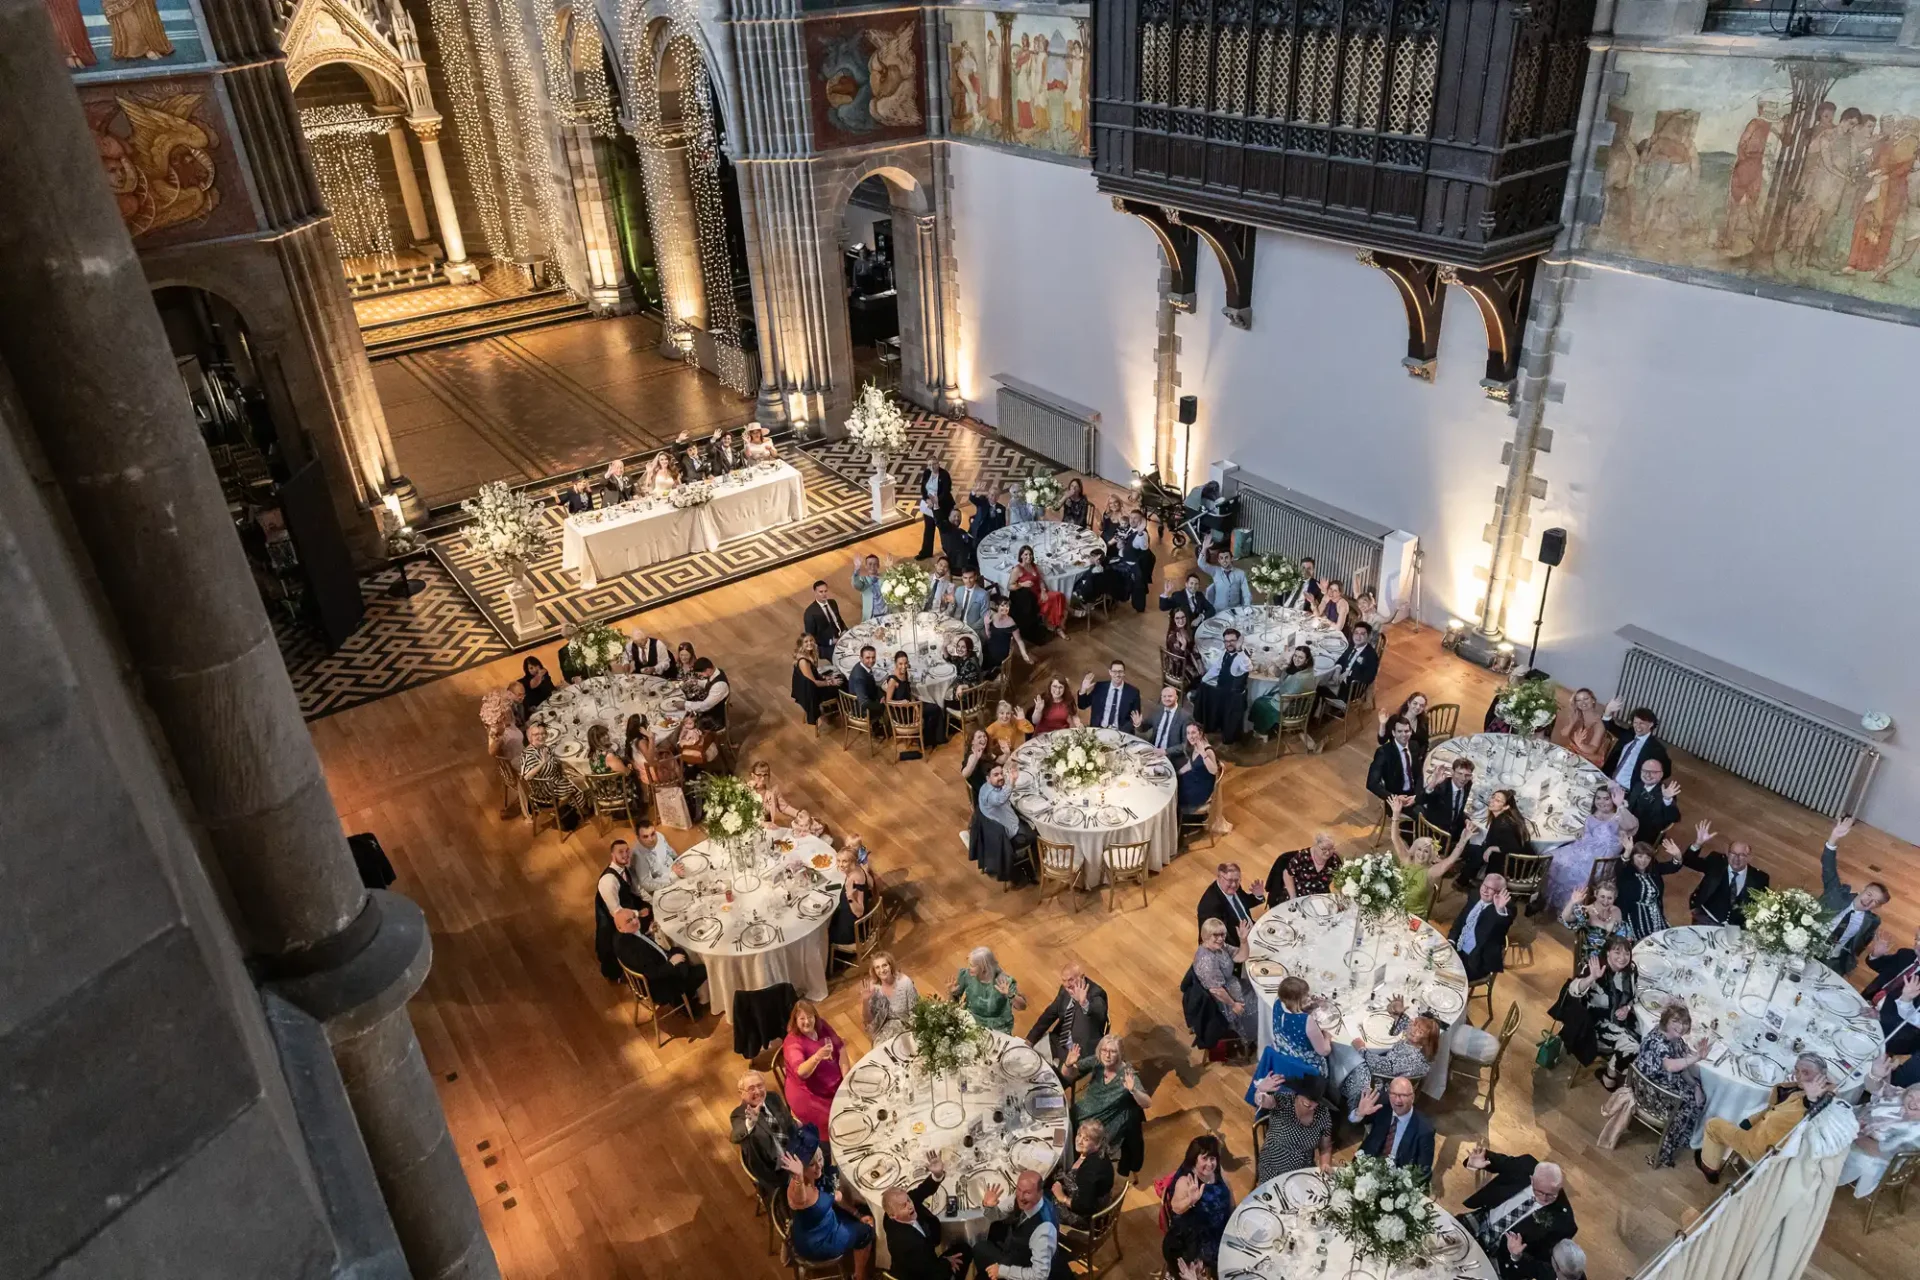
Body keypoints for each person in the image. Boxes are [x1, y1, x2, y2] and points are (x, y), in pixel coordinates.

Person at [1697, 1053, 1839, 1183]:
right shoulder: (1799, 1089)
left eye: (1806, 1072)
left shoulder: (1814, 1103)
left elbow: (1813, 1108)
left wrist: (1813, 1098)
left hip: (1762, 1149)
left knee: (1712, 1125)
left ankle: (1709, 1169)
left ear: (1822, 1077)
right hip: (1763, 1132)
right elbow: (1772, 1108)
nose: (1799, 1076)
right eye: (1797, 1070)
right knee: (1742, 1118)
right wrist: (1751, 1121)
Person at [778, 1127, 875, 1277]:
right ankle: (859, 1276)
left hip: (824, 1222)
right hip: (818, 1242)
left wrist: (857, 1214)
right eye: (811, 1164)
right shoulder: (798, 1191)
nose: (819, 1167)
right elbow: (802, 1198)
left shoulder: (817, 1178)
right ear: (800, 1168)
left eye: (820, 1159)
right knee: (867, 1232)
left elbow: (836, 1196)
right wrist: (798, 1177)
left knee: (861, 1217)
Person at [1459, 1148, 1576, 1269]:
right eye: (1539, 1192)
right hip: (1482, 1220)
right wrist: (1474, 1162)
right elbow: (1496, 1161)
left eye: (1552, 1195)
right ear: (1532, 1179)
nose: (1545, 1198)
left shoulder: (1564, 1222)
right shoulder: (1525, 1165)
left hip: (1502, 1255)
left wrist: (1517, 1256)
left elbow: (1542, 1265)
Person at [1629, 1003, 1710, 1169]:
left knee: (1699, 1091)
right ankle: (1663, 1154)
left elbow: (1681, 1067)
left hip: (1662, 1082)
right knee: (1690, 1104)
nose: (1681, 1027)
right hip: (1649, 1092)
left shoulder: (1674, 1039)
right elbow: (1670, 1066)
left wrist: (1695, 1086)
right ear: (1666, 1020)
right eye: (1676, 1021)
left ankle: (1681, 1138)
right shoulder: (1659, 1042)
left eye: (1685, 1022)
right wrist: (1697, 1058)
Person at [1550, 940, 1641, 1087]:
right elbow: (1573, 990)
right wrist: (1592, 977)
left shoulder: (1629, 971)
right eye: (1617, 952)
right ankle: (1610, 1075)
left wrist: (1627, 1008)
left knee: (1647, 1034)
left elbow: (1635, 995)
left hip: (1622, 1019)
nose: (1622, 957)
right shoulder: (1596, 968)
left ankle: (1616, 1070)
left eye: (1626, 953)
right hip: (1595, 1025)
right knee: (1633, 1047)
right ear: (1608, 953)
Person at [1061, 1035, 1152, 1176]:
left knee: (1079, 1142)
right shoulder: (1098, 1061)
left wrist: (1133, 1090)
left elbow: (1147, 1103)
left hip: (1103, 1122)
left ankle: (1072, 1173)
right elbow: (1068, 1075)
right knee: (1060, 1129)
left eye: (1112, 1051)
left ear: (1120, 1053)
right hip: (1082, 1112)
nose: (1107, 1055)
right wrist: (1067, 1065)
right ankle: (1063, 1161)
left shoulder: (1127, 1073)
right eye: (1104, 1050)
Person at [883, 1152, 973, 1280]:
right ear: (893, 1215)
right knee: (965, 1251)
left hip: (926, 1261)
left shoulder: (896, 1212)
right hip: (922, 1275)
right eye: (903, 1206)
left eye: (908, 1200)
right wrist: (947, 1262)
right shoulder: (908, 1244)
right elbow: (930, 1271)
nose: (910, 1205)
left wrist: (936, 1175)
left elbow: (922, 1190)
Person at [1839, 1057, 1920, 1197]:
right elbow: (1875, 1088)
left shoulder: (1913, 1132)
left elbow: (1878, 1150)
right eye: (1911, 1096)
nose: (1913, 1103)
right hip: (1855, 1123)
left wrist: (1853, 1132)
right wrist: (1875, 1075)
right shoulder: (1902, 1095)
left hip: (1867, 1154)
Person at [1818, 817, 1889, 976]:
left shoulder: (1871, 922)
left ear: (1876, 907)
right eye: (1869, 894)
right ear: (1863, 890)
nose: (1868, 901)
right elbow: (1828, 866)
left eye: (1875, 902)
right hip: (1807, 945)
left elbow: (1857, 947)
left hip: (1831, 964)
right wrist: (1834, 837)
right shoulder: (1836, 893)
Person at [1541, 786, 1627, 913]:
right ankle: (1547, 899)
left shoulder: (1619, 818)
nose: (1601, 802)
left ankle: (1569, 908)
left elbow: (1625, 834)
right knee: (1551, 857)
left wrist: (1622, 807)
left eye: (1606, 799)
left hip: (1601, 860)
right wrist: (1582, 831)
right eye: (1598, 798)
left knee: (1575, 871)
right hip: (1583, 849)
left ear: (1614, 800)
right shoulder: (1595, 813)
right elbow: (1591, 830)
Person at [1159, 1135, 1232, 1276]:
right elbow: (1176, 1207)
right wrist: (1190, 1201)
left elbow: (1228, 1192)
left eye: (1212, 1159)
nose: (1210, 1164)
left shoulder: (1216, 1171)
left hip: (1222, 1226)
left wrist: (1233, 1216)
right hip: (1201, 1237)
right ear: (1194, 1159)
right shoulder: (1185, 1181)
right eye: (1204, 1159)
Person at [973, 1170, 1063, 1280]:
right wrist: (988, 1206)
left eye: (1027, 1193)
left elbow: (1040, 1276)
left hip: (1025, 1265)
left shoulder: (1044, 1230)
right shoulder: (1021, 1198)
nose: (1021, 1197)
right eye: (1019, 1190)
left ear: (1040, 1193)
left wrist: (1002, 1271)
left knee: (980, 1249)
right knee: (989, 1235)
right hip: (1017, 1246)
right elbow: (996, 1215)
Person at [1680, 820, 1770, 926]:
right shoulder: (1716, 863)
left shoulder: (1760, 878)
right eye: (1733, 854)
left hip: (1736, 927)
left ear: (1749, 858)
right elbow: (1688, 861)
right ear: (1727, 853)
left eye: (1742, 855)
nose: (1736, 859)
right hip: (1706, 918)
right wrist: (1697, 844)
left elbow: (1761, 906)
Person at [611, 907, 707, 1008]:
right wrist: (671, 964)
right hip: (658, 985)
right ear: (619, 927)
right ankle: (681, 1000)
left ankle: (685, 987)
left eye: (634, 917)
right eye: (629, 921)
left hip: (658, 964)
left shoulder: (621, 936)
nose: (635, 921)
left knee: (679, 950)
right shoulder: (632, 949)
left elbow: (639, 943)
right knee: (703, 970)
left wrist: (648, 933)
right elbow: (652, 973)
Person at [1249, 976, 1331, 1091]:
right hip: (1307, 1068)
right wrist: (1327, 1037)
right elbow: (1324, 1051)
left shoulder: (1277, 1003)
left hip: (1284, 1056)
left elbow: (1292, 1015)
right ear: (1296, 1000)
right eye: (1305, 996)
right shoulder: (1306, 1021)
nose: (1307, 997)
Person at [1385, 800, 1466, 913]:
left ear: (1431, 855)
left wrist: (1463, 841)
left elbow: (1450, 861)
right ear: (1414, 848)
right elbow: (1395, 838)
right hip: (1394, 906)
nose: (1421, 854)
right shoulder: (1406, 860)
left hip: (1414, 915)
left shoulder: (1431, 872)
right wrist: (1396, 815)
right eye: (1419, 849)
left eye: (1426, 852)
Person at [1352, 1075, 1437, 1181]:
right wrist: (1359, 1113)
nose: (1398, 1100)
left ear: (1412, 1097)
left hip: (1397, 1180)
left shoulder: (1425, 1129)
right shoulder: (1382, 1109)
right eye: (1394, 1094)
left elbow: (1423, 1171)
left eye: (1403, 1095)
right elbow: (1355, 1124)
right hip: (1367, 1168)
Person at [781, 1001, 847, 1133]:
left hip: (835, 1082)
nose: (807, 1022)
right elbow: (801, 1072)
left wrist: (846, 1078)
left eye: (810, 1017)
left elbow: (841, 1049)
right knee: (837, 1124)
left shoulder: (821, 1026)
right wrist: (817, 1057)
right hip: (812, 1095)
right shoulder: (792, 1042)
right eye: (802, 1018)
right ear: (795, 1020)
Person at [1252, 1076, 1333, 1182]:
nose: (1311, 1109)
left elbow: (1325, 1147)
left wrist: (1325, 1164)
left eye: (1315, 1105)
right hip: (1272, 1167)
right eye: (1307, 1104)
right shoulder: (1283, 1102)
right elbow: (1262, 1101)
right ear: (1297, 1095)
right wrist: (1260, 1090)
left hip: (1303, 1171)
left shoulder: (1323, 1114)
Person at [1025, 963, 1110, 1064]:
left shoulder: (1097, 994)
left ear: (1082, 977)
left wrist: (1085, 1004)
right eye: (1064, 980)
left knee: (1054, 1077)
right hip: (1058, 1040)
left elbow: (1099, 1014)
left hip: (1079, 1051)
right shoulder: (1065, 990)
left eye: (1071, 980)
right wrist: (1030, 1040)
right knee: (1027, 1058)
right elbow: (1049, 1014)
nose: (1067, 984)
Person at [731, 1070, 797, 1195]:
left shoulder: (773, 1098)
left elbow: (788, 1122)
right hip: (777, 1172)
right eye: (751, 1089)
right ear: (741, 1094)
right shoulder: (739, 1115)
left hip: (796, 1153)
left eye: (760, 1086)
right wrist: (751, 1122)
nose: (757, 1091)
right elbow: (735, 1136)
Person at [1194, 917, 1256, 1044]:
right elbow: (1217, 991)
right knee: (1260, 1004)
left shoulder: (1219, 946)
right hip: (1226, 1000)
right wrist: (1234, 1005)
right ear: (1205, 936)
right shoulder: (1206, 960)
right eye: (1215, 935)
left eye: (1222, 934)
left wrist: (1243, 941)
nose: (1220, 938)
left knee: (1259, 988)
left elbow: (1241, 957)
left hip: (1233, 985)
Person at [972, 762, 1036, 883]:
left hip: (1000, 826)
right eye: (996, 775)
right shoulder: (990, 795)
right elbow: (1000, 799)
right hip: (1007, 835)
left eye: (1001, 773)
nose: (1001, 777)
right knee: (1035, 833)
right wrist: (1011, 782)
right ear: (987, 778)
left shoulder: (985, 787)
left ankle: (1023, 857)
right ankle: (1024, 860)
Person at [593, 839, 648, 982]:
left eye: (627, 851)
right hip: (615, 920)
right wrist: (638, 914)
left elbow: (634, 890)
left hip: (627, 907)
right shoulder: (608, 881)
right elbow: (616, 913)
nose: (625, 854)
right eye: (620, 852)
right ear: (612, 855)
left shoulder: (624, 869)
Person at [1458, 788, 1533, 888]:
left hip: (1514, 865)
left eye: (1497, 801)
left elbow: (1514, 847)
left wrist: (1491, 848)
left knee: (1476, 851)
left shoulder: (1503, 824)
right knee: (1476, 849)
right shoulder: (1505, 817)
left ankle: (1469, 881)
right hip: (1513, 858)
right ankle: (1466, 878)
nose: (1492, 801)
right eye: (1493, 797)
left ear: (1506, 807)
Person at [1050, 1119, 1116, 1229]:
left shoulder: (1089, 1171)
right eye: (1079, 1135)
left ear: (1097, 1143)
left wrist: (1062, 1198)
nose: (1079, 1141)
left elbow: (1084, 1206)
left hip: (1087, 1217)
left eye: (1086, 1139)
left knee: (1044, 1202)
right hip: (1096, 1199)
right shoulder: (1101, 1152)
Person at [1449, 874, 1514, 982]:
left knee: (1446, 978)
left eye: (1491, 889)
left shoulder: (1504, 910)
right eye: (1484, 886)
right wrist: (1451, 940)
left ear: (1499, 893)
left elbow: (1502, 927)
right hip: (1457, 949)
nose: (1485, 891)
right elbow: (1460, 920)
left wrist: (1500, 910)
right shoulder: (1475, 895)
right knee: (1430, 960)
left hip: (1476, 961)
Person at [1559, 882, 1634, 974]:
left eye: (1609, 898)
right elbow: (1566, 918)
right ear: (1596, 894)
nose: (1605, 901)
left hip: (1616, 956)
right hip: (1595, 960)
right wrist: (1572, 902)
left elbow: (1623, 934)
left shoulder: (1616, 911)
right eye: (1602, 897)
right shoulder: (1587, 911)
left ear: (1614, 898)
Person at [1193, 628, 1252, 745]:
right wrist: (1204, 679)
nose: (1229, 644)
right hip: (1223, 690)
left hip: (1234, 695)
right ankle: (1210, 723)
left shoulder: (1242, 656)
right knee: (1203, 687)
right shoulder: (1225, 652)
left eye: (1232, 641)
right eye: (1226, 641)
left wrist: (1240, 650)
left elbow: (1248, 667)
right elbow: (1217, 667)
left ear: (1238, 641)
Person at [1616, 839, 1684, 939]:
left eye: (1647, 857)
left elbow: (1673, 867)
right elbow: (1619, 868)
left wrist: (1677, 855)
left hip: (1655, 916)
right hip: (1634, 917)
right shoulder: (1626, 872)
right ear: (1632, 857)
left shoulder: (1653, 869)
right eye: (1639, 856)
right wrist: (1627, 852)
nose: (1643, 861)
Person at [950, 946, 1026, 1033]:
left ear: (984, 967)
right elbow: (952, 1005)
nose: (968, 967)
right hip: (971, 1023)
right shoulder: (967, 976)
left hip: (998, 1028)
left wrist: (1010, 994)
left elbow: (1022, 1007)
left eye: (972, 965)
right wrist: (953, 993)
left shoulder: (1003, 981)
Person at [1602, 700, 1671, 789]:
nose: (1637, 726)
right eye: (1635, 722)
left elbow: (1666, 771)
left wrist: (1646, 783)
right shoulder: (1629, 735)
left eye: (1642, 723)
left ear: (1650, 724)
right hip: (1609, 780)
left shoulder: (1657, 749)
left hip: (1627, 790)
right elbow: (1610, 726)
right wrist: (1607, 712)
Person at [1195, 862, 1265, 946]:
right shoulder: (1209, 906)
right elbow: (1213, 939)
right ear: (1219, 877)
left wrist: (1258, 896)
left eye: (1237, 880)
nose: (1234, 884)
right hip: (1238, 945)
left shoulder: (1233, 887)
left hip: (1253, 931)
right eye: (1230, 880)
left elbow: (1243, 904)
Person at [519, 721, 580, 815]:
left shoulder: (543, 747)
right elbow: (527, 777)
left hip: (555, 780)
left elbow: (554, 761)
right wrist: (543, 763)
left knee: (578, 777)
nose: (541, 736)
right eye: (536, 734)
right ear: (530, 737)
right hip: (547, 789)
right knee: (578, 786)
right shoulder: (529, 754)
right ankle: (578, 811)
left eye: (543, 733)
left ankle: (574, 809)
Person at [1367, 715, 1421, 820]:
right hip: (1398, 798)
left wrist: (1418, 795)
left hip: (1415, 793)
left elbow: (1418, 775)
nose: (1404, 735)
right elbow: (1371, 783)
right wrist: (1394, 798)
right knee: (1427, 816)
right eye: (1399, 731)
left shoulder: (1414, 746)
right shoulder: (1383, 752)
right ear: (1393, 733)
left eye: (1406, 731)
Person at [859, 951, 918, 1045]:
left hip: (905, 1026)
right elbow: (869, 1020)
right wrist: (865, 1001)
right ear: (874, 970)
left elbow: (915, 1012)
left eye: (884, 965)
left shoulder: (905, 982)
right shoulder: (873, 987)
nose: (882, 970)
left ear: (891, 966)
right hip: (882, 1030)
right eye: (877, 967)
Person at [1010, 544, 1067, 637]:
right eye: (1026, 554)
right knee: (1056, 597)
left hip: (1039, 593)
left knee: (1058, 596)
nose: (1029, 557)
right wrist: (1022, 584)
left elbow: (1040, 580)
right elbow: (1010, 586)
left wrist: (1043, 591)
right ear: (1021, 556)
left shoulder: (1034, 566)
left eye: (1030, 554)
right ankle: (1057, 627)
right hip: (1030, 599)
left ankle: (1055, 625)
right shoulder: (1017, 569)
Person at [1321, 621, 1379, 711]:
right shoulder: (1352, 645)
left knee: (1317, 687)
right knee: (1319, 678)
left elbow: (1369, 678)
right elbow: (1342, 659)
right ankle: (1324, 709)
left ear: (1368, 637)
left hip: (1350, 690)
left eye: (1362, 634)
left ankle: (1317, 715)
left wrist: (1348, 674)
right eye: (1356, 633)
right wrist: (1337, 670)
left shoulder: (1371, 656)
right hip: (1340, 682)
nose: (1358, 636)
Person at [1418, 756, 1476, 844]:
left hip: (1455, 826)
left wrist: (1466, 819)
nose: (1463, 778)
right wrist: (1433, 783)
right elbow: (1421, 800)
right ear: (1452, 772)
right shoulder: (1441, 787)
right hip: (1438, 832)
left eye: (1467, 775)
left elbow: (1458, 808)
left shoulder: (1467, 785)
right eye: (1459, 773)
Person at [1623, 758, 1682, 845]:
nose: (1647, 774)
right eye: (1644, 771)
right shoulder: (1638, 785)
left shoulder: (1665, 792)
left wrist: (1667, 800)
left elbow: (1675, 818)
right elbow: (1630, 803)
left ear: (1661, 775)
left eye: (1653, 772)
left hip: (1643, 836)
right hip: (1626, 826)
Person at [1271, 833, 1341, 901]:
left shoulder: (1334, 861)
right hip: (1299, 895)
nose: (1328, 853)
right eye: (1324, 849)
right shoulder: (1302, 857)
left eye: (1331, 849)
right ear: (1316, 846)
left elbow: (1340, 879)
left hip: (1321, 897)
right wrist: (1293, 897)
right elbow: (1287, 874)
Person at [830, 844, 878, 945]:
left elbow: (859, 912)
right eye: (838, 861)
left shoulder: (855, 881)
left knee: (823, 933)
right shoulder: (859, 869)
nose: (840, 865)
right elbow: (871, 884)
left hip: (850, 931)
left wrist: (850, 897)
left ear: (852, 862)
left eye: (844, 861)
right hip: (846, 917)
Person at [1107, 510, 1155, 611]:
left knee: (1108, 571)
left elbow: (1143, 547)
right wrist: (1121, 546)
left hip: (1131, 566)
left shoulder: (1142, 534)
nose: (1132, 520)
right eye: (1131, 517)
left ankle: (1113, 598)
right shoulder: (1130, 530)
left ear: (1141, 520)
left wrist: (1141, 532)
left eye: (1135, 518)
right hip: (1124, 558)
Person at [792, 634, 844, 725]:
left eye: (811, 640)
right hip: (811, 692)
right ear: (801, 645)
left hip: (812, 685)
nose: (809, 643)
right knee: (841, 685)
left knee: (837, 676)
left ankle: (832, 707)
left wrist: (825, 677)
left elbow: (814, 673)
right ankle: (840, 710)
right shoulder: (803, 661)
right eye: (806, 642)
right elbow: (814, 683)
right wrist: (830, 682)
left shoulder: (810, 653)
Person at [1077, 661, 1140, 731]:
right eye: (1114, 671)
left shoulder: (1133, 692)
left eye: (1120, 671)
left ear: (1124, 673)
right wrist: (1083, 689)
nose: (1117, 674)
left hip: (1120, 733)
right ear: (1110, 672)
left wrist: (1136, 724)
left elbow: (1135, 717)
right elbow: (1082, 705)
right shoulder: (1100, 687)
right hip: (1098, 730)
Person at [1557, 688, 1608, 766]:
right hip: (1572, 752)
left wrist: (1580, 744)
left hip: (1587, 759)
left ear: (1593, 700)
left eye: (1586, 699)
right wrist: (1572, 723)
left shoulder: (1599, 723)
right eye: (1578, 700)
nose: (1583, 702)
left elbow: (1592, 750)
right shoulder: (1577, 715)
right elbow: (1563, 734)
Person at [914, 462, 955, 559]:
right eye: (929, 465)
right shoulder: (927, 473)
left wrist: (935, 501)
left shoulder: (944, 475)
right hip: (929, 506)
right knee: (928, 529)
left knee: (944, 531)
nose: (932, 466)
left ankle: (950, 553)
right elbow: (923, 489)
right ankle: (926, 552)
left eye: (934, 464)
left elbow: (946, 491)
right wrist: (926, 499)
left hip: (942, 507)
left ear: (938, 464)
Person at [802, 579, 849, 662]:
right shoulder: (810, 613)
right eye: (821, 592)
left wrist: (844, 630)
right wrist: (831, 641)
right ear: (815, 592)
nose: (824, 594)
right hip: (827, 645)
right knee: (843, 660)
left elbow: (839, 620)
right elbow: (810, 636)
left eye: (825, 591)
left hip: (842, 636)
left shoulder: (833, 603)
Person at [983, 595, 1029, 672]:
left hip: (1001, 651)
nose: (1005, 608)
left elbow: (1019, 641)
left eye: (1007, 606)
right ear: (997, 606)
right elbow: (989, 636)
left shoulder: (1011, 623)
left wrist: (1024, 654)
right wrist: (986, 624)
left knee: (986, 663)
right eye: (1002, 606)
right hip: (990, 646)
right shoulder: (993, 617)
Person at [684, 656, 731, 731]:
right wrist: (697, 682)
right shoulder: (717, 672)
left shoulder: (719, 686)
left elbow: (704, 706)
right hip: (711, 709)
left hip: (715, 719)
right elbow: (710, 683)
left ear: (708, 670)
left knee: (686, 723)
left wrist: (684, 704)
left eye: (701, 674)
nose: (700, 676)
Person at [1069, 548, 1121, 614]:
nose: (1090, 558)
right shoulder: (1103, 568)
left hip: (1088, 594)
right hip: (1098, 590)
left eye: (1092, 557)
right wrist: (1089, 557)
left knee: (1073, 585)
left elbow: (1087, 585)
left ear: (1097, 561)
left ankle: (1084, 603)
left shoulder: (1094, 573)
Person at [1161, 606, 1203, 686]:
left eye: (1183, 617)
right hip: (1178, 669)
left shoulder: (1185, 629)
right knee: (1201, 678)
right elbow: (1176, 660)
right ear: (1173, 620)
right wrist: (1183, 645)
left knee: (1204, 667)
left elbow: (1193, 647)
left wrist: (1199, 661)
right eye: (1177, 618)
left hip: (1187, 660)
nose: (1181, 621)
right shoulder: (1172, 637)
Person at [939, 505, 976, 576]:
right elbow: (939, 521)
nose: (957, 518)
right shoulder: (947, 530)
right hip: (957, 566)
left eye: (959, 517)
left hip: (966, 559)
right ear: (949, 518)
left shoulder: (961, 531)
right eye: (954, 516)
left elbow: (970, 541)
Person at [951, 568, 991, 633]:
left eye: (970, 578)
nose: (968, 581)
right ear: (962, 578)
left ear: (975, 577)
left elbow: (984, 617)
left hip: (973, 628)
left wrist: (970, 629)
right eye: (965, 578)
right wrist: (952, 603)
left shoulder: (983, 594)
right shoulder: (959, 590)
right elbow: (954, 609)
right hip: (957, 625)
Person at [852, 553, 889, 622]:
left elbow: (894, 580)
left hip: (886, 615)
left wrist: (889, 567)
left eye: (875, 564)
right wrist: (857, 569)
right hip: (871, 618)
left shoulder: (884, 578)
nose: (872, 566)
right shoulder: (863, 580)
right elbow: (855, 584)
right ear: (866, 566)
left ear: (878, 566)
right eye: (870, 564)